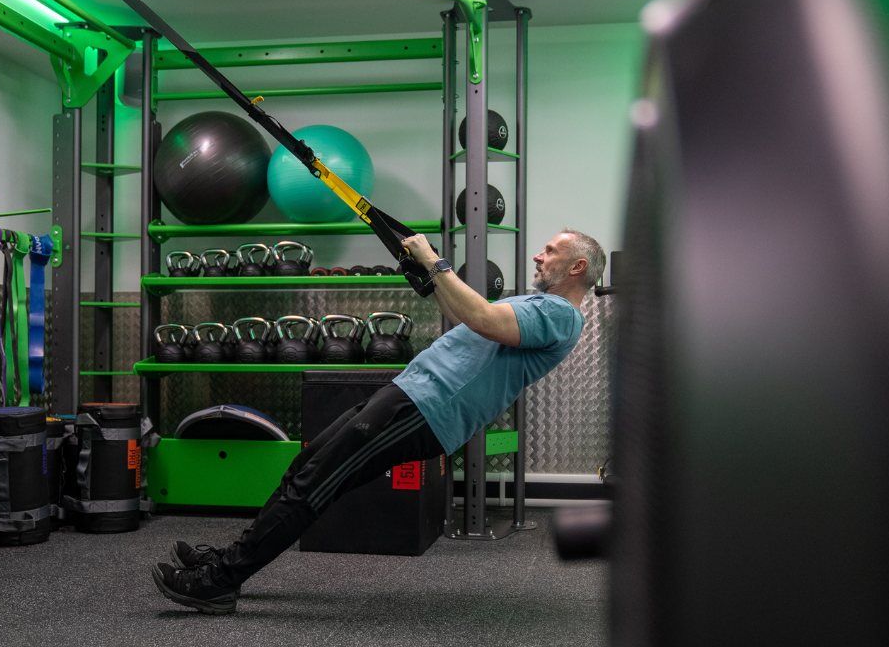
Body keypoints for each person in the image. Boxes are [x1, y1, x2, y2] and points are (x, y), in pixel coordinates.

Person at [152, 229, 607, 613]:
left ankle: (222, 581)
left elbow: (481, 316)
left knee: (315, 482)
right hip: (410, 395)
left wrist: (434, 260)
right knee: (306, 469)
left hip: (426, 410)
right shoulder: (541, 306)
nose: (538, 255)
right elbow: (465, 312)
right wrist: (428, 271)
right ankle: (230, 558)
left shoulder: (559, 314)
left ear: (577, 267)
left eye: (550, 250)